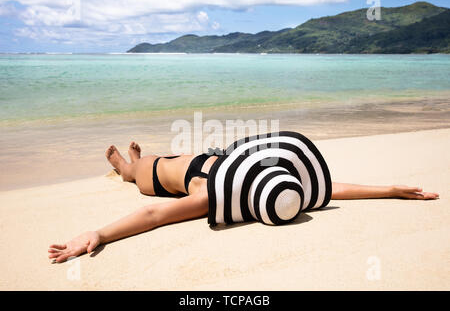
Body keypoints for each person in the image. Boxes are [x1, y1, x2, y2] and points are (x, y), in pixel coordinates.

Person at [48, 141, 439, 263]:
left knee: (138, 173)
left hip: (161, 176)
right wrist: (389, 189)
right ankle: (132, 160)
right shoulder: (262, 173)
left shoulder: (207, 197)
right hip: (207, 155)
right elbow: (329, 188)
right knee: (162, 158)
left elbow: (152, 213)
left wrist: (97, 233)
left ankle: (123, 165)